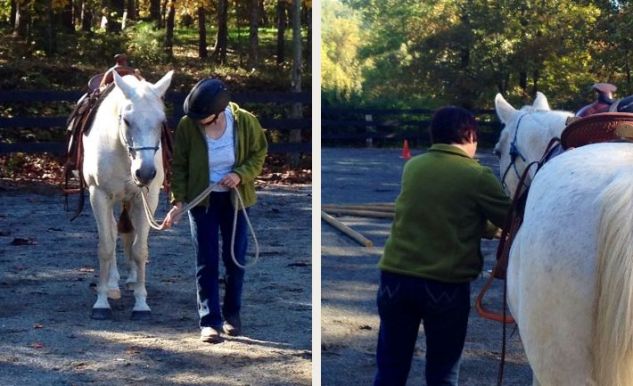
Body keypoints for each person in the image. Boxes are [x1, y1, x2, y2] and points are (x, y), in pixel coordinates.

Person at [374, 106, 511, 385]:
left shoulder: (413, 166)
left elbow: (440, 210)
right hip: (443, 285)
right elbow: (511, 218)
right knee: (442, 373)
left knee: (390, 368)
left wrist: (482, 225)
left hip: (395, 279)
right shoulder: (477, 175)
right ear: (470, 134)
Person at [163, 78, 268, 344]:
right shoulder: (189, 126)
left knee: (235, 260)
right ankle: (210, 321)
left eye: (204, 117)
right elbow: (180, 165)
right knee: (206, 260)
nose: (199, 121)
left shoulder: (244, 122)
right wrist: (178, 202)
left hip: (236, 199)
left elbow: (259, 153)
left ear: (219, 110)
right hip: (203, 200)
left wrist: (240, 174)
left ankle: (232, 314)